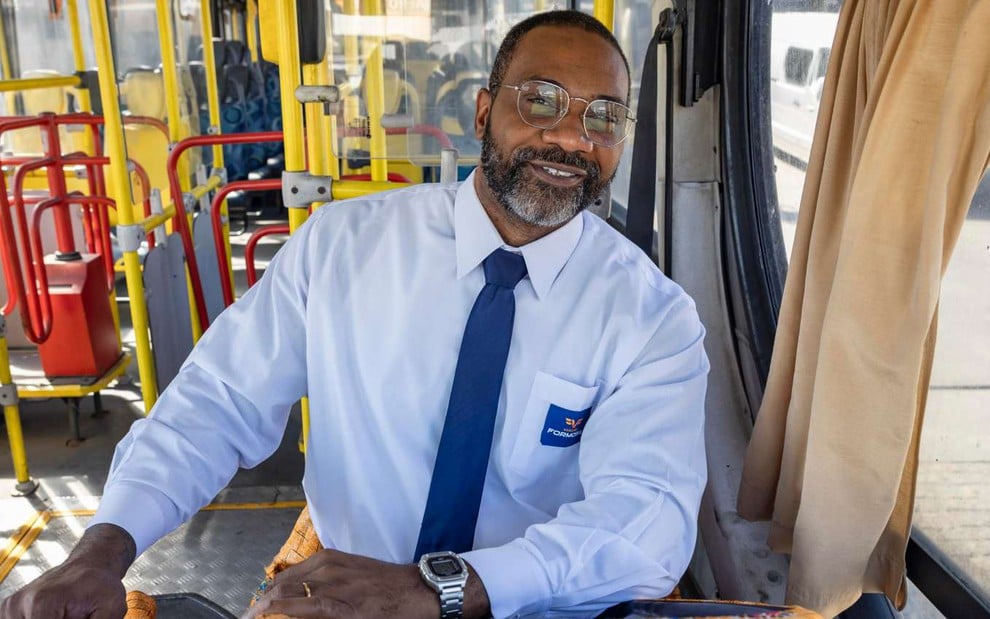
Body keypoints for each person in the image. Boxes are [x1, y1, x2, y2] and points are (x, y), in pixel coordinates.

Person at [0, 10, 708, 619]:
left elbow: (646, 525)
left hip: (535, 604)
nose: (573, 138)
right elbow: (216, 403)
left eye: (603, 116)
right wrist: (103, 547)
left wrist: (437, 589)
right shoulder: (341, 247)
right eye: (543, 101)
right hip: (337, 600)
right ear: (485, 111)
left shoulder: (653, 320)